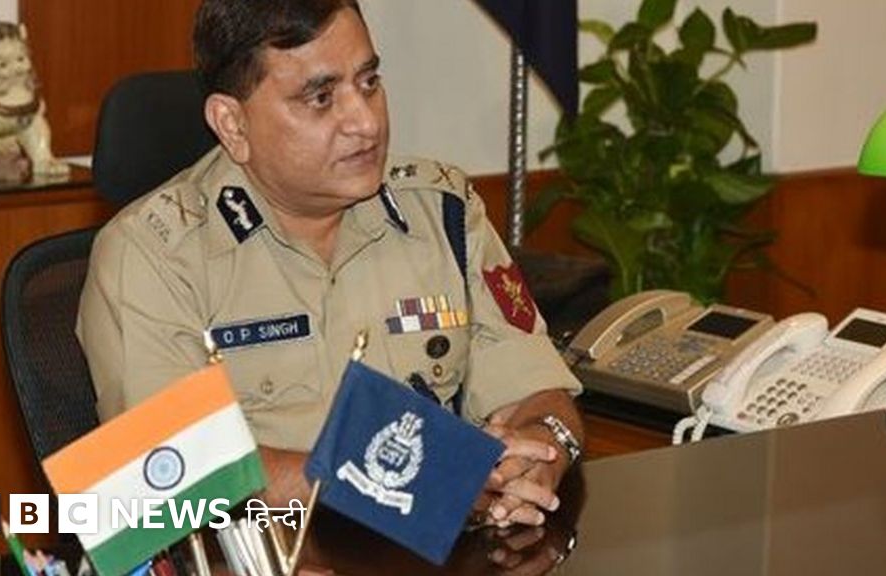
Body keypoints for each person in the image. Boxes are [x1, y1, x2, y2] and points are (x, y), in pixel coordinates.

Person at [77, 0, 583, 531]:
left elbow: (537, 388)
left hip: (440, 555)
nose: (366, 121)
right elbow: (169, 473)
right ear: (233, 124)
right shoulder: (150, 254)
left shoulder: (443, 214)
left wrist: (542, 448)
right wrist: (420, 484)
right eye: (320, 98)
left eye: (369, 82)